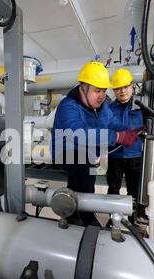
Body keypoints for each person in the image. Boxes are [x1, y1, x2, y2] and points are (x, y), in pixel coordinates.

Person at [51, 61, 140, 227]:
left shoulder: (101, 106)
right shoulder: (68, 107)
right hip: (66, 152)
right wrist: (117, 136)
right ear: (83, 87)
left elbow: (112, 122)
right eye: (97, 90)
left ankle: (76, 209)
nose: (101, 95)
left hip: (87, 152)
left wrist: (129, 131)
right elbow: (80, 134)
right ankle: (82, 215)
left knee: (86, 178)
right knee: (83, 168)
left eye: (104, 90)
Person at [107, 68, 144, 200]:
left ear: (132, 86)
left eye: (125, 87)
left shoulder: (142, 107)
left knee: (134, 192)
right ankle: (113, 218)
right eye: (118, 88)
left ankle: (133, 219)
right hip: (114, 156)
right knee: (112, 190)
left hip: (135, 156)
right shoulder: (109, 110)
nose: (122, 91)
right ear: (113, 90)